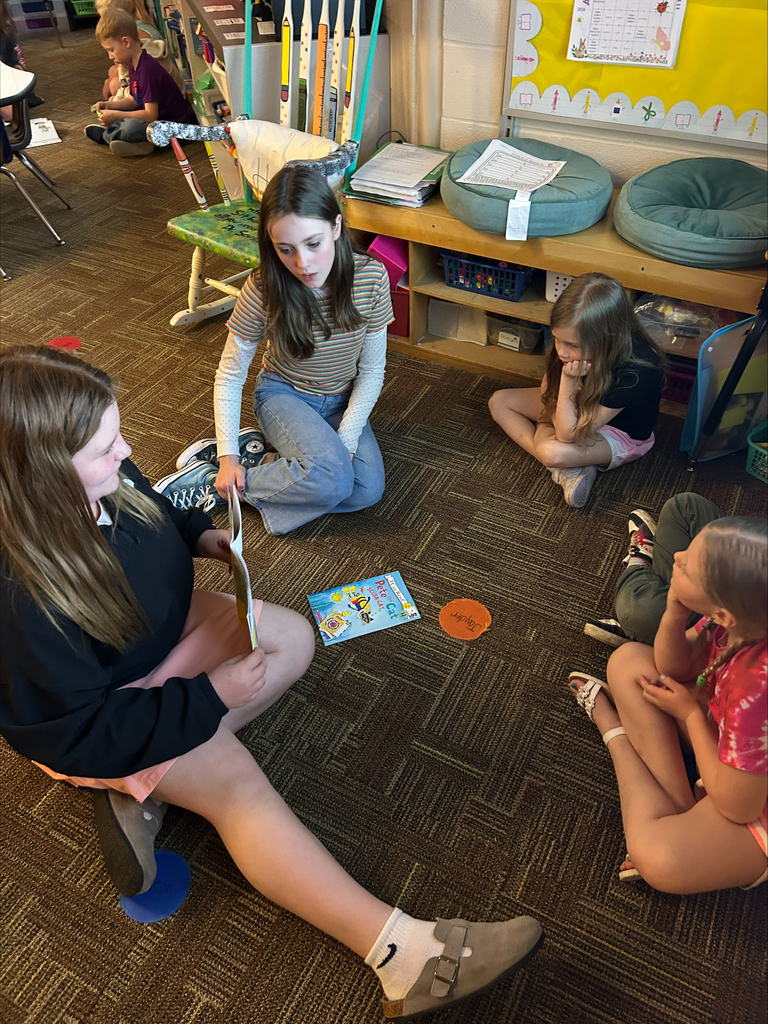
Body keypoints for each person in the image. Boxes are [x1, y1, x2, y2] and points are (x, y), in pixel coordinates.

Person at [0, 346, 544, 1019]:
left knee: (290, 636)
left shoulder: (102, 476)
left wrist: (199, 536)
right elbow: (72, 731)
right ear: (46, 475)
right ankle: (402, 956)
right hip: (101, 713)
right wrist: (207, 700)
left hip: (153, 641)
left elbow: (155, 506)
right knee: (236, 784)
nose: (127, 450)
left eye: (119, 433)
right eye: (106, 446)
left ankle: (145, 786)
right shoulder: (20, 601)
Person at [154, 164, 393, 536]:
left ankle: (258, 468)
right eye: (286, 250)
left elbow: (373, 371)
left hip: (340, 400)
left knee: (365, 489)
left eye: (313, 243)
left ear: (336, 227)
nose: (303, 263)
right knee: (333, 479)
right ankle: (221, 479)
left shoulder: (372, 278)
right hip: (283, 396)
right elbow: (231, 375)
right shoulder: (264, 287)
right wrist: (226, 456)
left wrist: (345, 441)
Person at [568, 516, 767, 893]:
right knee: (627, 662)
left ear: (726, 614)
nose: (675, 555)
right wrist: (675, 610)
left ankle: (614, 732)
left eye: (687, 565)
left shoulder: (756, 690)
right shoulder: (739, 616)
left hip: (751, 798)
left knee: (659, 858)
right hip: (729, 742)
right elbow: (673, 666)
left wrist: (690, 715)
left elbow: (739, 806)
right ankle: (681, 805)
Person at [488, 273, 664, 508]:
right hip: (573, 406)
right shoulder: (568, 345)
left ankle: (562, 464)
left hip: (616, 431)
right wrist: (558, 404)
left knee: (551, 452)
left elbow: (567, 435)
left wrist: (568, 382)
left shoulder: (635, 371)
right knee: (499, 401)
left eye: (572, 345)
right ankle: (567, 471)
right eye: (557, 339)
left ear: (606, 339)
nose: (561, 351)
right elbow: (547, 390)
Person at [584, 493, 722, 648]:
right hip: (729, 597)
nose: (679, 557)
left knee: (637, 614)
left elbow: (671, 668)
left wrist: (672, 626)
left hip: (713, 618)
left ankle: (641, 559)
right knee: (686, 506)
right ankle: (647, 632)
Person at [85, 9, 193, 158]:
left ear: (126, 42)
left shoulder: (147, 70)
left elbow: (150, 115)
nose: (110, 56)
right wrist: (109, 105)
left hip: (174, 129)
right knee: (127, 120)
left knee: (130, 126)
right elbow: (133, 100)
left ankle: (108, 137)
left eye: (111, 50)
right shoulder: (134, 64)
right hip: (156, 121)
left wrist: (116, 115)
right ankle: (134, 142)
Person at [94, 0, 172, 103]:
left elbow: (150, 113)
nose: (110, 56)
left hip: (162, 114)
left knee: (114, 83)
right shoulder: (136, 41)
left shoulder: (144, 64)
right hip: (151, 102)